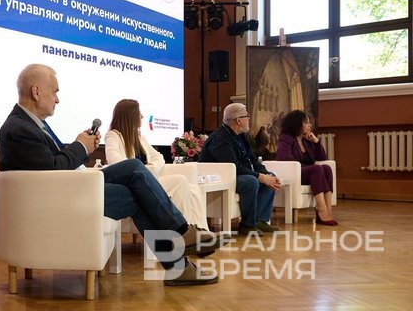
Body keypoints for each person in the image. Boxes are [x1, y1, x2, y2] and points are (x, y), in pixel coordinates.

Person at [0, 64, 220, 286]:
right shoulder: (19, 128)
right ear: (36, 92)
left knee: (133, 167)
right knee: (137, 194)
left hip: (70, 187)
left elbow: (52, 167)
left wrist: (81, 146)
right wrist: (80, 146)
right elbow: (52, 171)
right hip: (62, 198)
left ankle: (181, 244)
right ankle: (179, 249)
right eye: (55, 92)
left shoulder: (31, 125)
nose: (57, 100)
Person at [105, 98, 209, 231]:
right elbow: (115, 161)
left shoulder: (140, 138)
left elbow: (158, 157)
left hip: (149, 178)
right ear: (130, 116)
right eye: (139, 113)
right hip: (133, 183)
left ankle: (198, 229)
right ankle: (184, 231)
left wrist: (150, 168)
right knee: (180, 182)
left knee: (191, 188)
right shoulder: (113, 136)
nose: (142, 116)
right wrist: (141, 170)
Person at [199, 103, 282, 236]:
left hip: (236, 175)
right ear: (238, 120)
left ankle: (260, 220)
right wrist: (261, 177)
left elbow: (253, 160)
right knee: (251, 181)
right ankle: (247, 225)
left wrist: (266, 175)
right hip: (221, 179)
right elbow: (234, 166)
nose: (249, 119)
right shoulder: (220, 138)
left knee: (269, 176)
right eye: (247, 116)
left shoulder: (241, 136)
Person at [276, 110, 336, 225]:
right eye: (306, 123)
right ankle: (321, 210)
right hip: (295, 173)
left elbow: (322, 158)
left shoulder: (306, 141)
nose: (310, 125)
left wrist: (316, 141)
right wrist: (304, 167)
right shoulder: (286, 139)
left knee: (326, 168)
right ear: (298, 124)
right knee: (316, 169)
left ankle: (328, 211)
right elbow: (285, 158)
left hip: (310, 173)